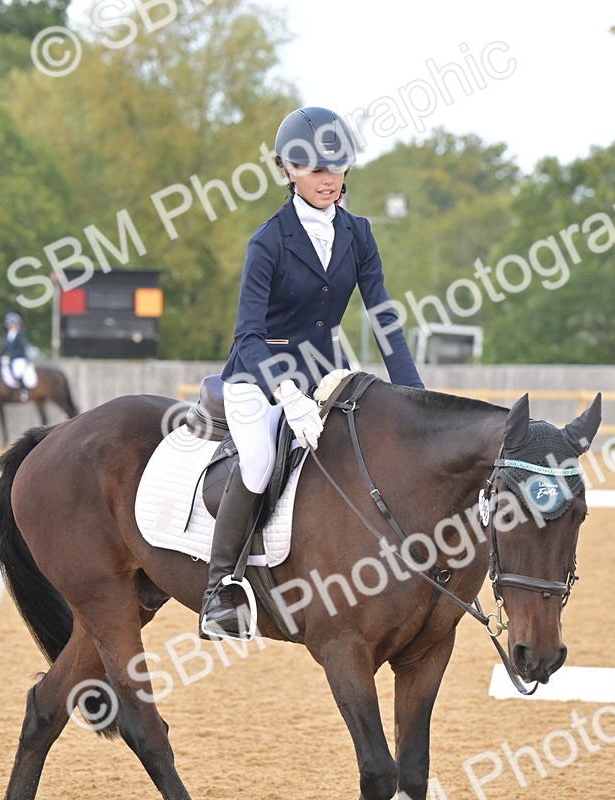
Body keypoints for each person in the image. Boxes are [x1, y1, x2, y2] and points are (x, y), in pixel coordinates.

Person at [199, 106, 425, 639]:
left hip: (325, 372)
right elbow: (247, 336)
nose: (328, 179)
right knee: (257, 461)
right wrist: (285, 392)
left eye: (336, 168)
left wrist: (415, 397)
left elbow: (383, 317)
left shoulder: (359, 233)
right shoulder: (268, 241)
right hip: (257, 378)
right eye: (315, 170)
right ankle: (219, 591)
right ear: (289, 171)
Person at [0, 312, 34, 401]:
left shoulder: (20, 334)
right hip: (10, 358)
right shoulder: (8, 334)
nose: (9, 325)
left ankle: (24, 390)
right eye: (8, 323)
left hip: (19, 357)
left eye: (11, 323)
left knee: (17, 371)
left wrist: (11, 356)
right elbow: (5, 347)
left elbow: (22, 346)